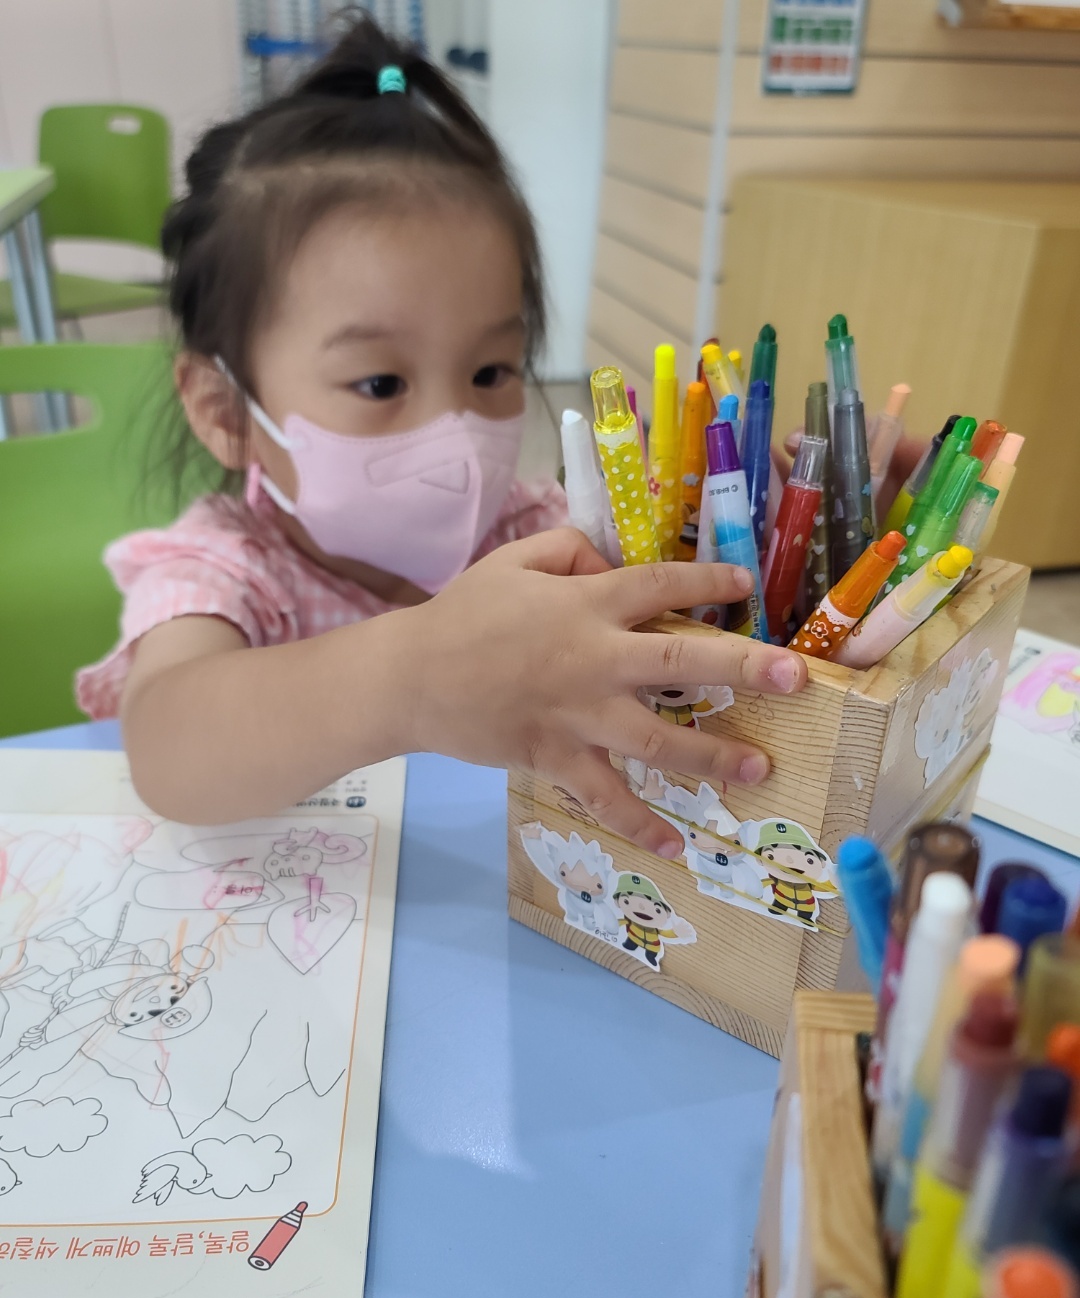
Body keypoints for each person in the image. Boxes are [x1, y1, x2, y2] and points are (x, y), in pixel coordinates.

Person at [75, 14, 816, 859]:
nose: (453, 435)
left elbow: (691, 606)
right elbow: (169, 753)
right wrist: (413, 678)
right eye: (381, 383)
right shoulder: (226, 568)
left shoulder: (531, 534)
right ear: (223, 410)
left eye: (491, 371)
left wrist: (793, 525)